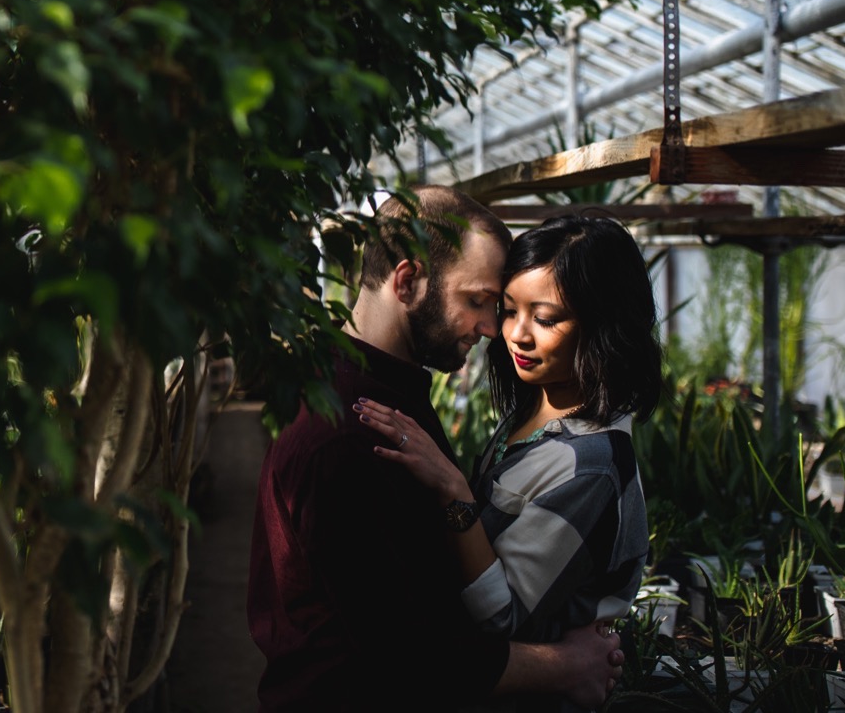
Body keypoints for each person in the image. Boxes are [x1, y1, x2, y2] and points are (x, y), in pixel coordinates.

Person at [247, 186, 624, 713]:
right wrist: (566, 665)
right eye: (478, 302)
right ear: (407, 282)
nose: (495, 329)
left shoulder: (382, 393)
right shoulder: (349, 436)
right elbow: (410, 657)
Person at [354, 213, 664, 712]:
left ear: (605, 324)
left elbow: (503, 617)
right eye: (508, 309)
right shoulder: (533, 409)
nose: (515, 335)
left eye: (545, 318)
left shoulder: (591, 466)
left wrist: (455, 493)